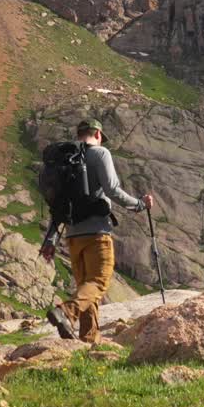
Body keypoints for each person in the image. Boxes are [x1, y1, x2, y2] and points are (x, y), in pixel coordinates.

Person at [40, 118, 153, 342]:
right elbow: (112, 189)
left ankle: (89, 340)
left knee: (86, 288)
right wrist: (139, 204)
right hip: (97, 233)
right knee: (99, 281)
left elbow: (59, 206)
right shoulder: (100, 154)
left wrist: (50, 240)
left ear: (79, 133)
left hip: (73, 237)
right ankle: (66, 311)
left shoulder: (66, 162)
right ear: (98, 135)